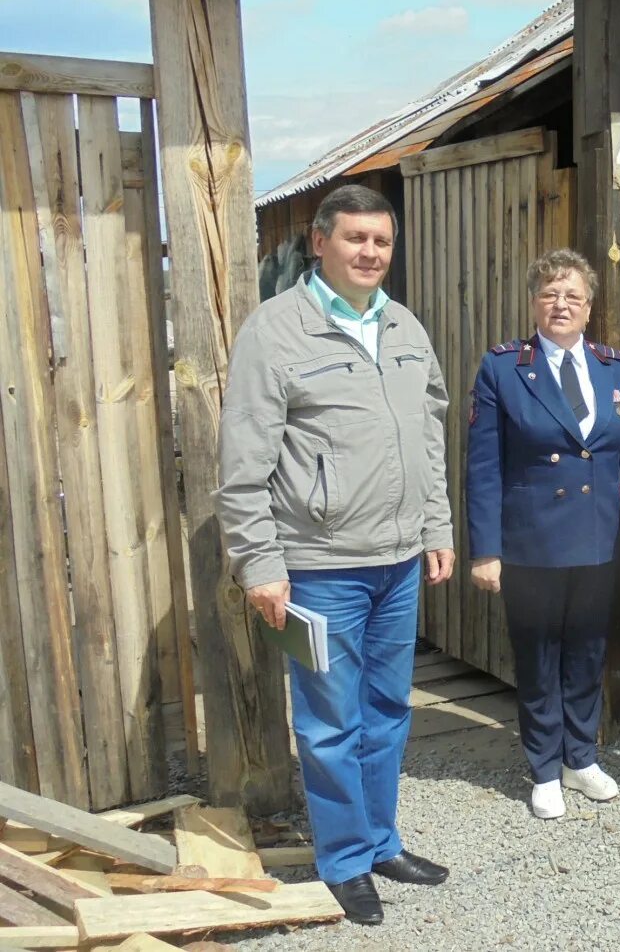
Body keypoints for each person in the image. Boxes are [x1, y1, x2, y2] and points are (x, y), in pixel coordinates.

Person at [214, 184, 455, 926]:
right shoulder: (276, 331)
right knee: (327, 721)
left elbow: (429, 436)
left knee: (387, 711)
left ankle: (382, 841)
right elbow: (243, 463)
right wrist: (260, 564)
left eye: (381, 241)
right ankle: (345, 860)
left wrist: (437, 527)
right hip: (319, 566)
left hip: (396, 560)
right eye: (355, 238)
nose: (370, 252)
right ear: (319, 242)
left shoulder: (406, 328)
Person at [466, 249, 620, 822]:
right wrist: (486, 550)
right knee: (539, 653)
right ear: (533, 303)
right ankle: (545, 767)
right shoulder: (504, 367)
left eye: (572, 295)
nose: (561, 304)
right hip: (532, 542)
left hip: (599, 539)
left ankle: (581, 755)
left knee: (587, 650)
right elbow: (483, 466)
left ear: (589, 306)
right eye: (550, 293)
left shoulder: (610, 365)